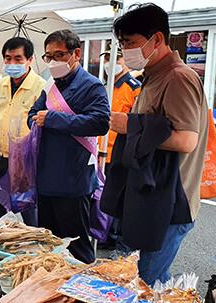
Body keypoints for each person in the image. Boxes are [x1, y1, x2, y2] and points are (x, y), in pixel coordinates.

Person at [108, 3, 208, 284]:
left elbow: (187, 140)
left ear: (158, 39)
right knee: (147, 276)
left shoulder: (178, 78)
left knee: (146, 280)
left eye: (130, 42)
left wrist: (131, 126)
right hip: (153, 196)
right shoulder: (152, 77)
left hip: (172, 200)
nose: (125, 49)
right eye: (122, 43)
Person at [27, 30, 110, 264]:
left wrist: (53, 119)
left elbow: (100, 122)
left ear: (76, 54)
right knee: (48, 243)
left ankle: (84, 291)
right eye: (49, 56)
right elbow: (34, 114)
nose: (53, 62)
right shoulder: (50, 86)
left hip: (73, 180)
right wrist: (38, 118)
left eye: (59, 55)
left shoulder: (92, 86)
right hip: (45, 177)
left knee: (76, 245)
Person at [0, 37, 45, 224]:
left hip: (26, 163)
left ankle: (35, 247)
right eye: (8, 58)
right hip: (0, 158)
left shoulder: (41, 87)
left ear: (30, 60)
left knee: (29, 212)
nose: (12, 63)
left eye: (18, 59)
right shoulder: (0, 84)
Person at [98, 44, 141, 252]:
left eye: (115, 59)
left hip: (120, 151)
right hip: (100, 150)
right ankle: (104, 232)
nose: (110, 64)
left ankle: (117, 236)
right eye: (107, 59)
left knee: (119, 195)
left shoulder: (134, 88)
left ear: (125, 61)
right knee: (105, 194)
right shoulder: (104, 86)